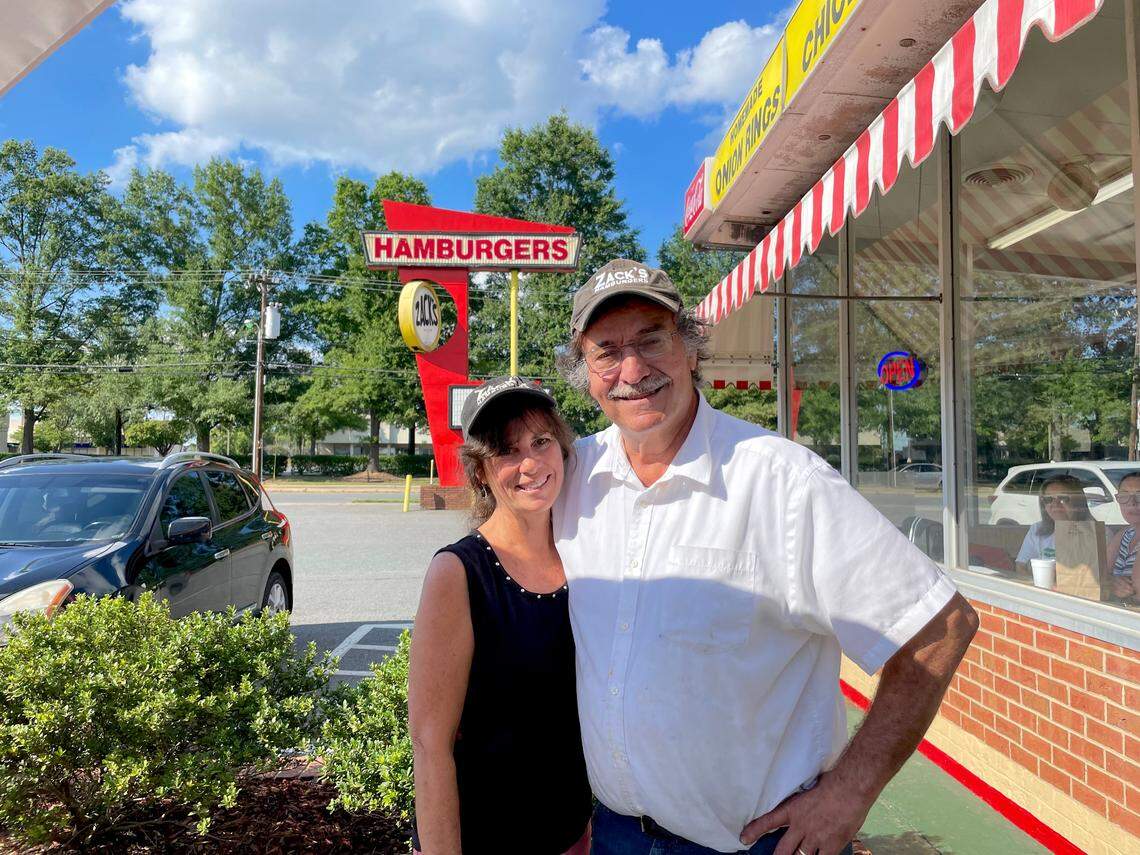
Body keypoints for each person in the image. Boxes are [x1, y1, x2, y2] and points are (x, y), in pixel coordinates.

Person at [553, 259, 979, 855]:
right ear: (585, 371)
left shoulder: (783, 481)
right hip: (618, 832)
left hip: (754, 843)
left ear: (691, 347)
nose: (632, 370)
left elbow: (940, 626)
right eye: (607, 351)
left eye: (652, 339)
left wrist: (848, 795)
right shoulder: (574, 477)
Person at [408, 376, 592, 855]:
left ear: (563, 450)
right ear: (480, 473)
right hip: (486, 837)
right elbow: (430, 745)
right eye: (507, 451)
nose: (530, 463)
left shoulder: (587, 556)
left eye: (541, 441)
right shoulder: (459, 572)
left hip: (576, 834)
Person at [1014, 474, 1092, 575]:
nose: (1055, 504)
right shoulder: (1037, 529)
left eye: (1063, 498)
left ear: (1078, 501)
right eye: (1048, 499)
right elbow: (1021, 566)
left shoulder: (1098, 533)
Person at [1107, 472, 1140, 606]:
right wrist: (1111, 582)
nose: (1132, 503)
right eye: (1124, 496)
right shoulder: (1125, 533)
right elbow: (1098, 574)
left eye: (1139, 495)